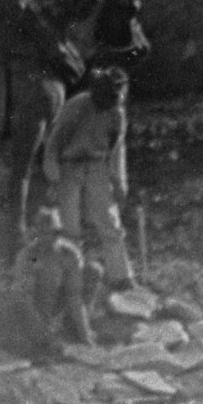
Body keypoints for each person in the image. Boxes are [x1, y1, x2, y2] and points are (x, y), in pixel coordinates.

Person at [42, 66, 135, 290]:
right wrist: (54, 177)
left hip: (97, 167)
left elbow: (117, 150)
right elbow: (54, 143)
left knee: (109, 222)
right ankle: (72, 280)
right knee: (69, 226)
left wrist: (119, 182)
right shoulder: (76, 106)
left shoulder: (117, 113)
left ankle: (121, 278)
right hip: (69, 167)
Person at [11, 205, 94, 350]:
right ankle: (41, 336)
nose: (50, 237)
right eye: (43, 232)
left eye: (55, 232)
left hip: (57, 301)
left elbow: (75, 295)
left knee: (93, 271)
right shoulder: (27, 256)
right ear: (36, 232)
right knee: (49, 275)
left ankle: (72, 329)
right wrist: (46, 335)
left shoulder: (70, 253)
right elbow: (23, 300)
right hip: (34, 307)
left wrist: (84, 332)